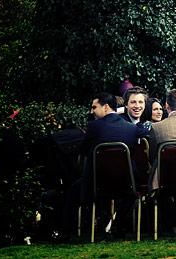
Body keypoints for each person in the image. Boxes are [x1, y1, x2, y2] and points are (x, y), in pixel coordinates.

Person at [60, 93, 140, 240]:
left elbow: (82, 152)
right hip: (125, 183)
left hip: (97, 184)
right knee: (132, 195)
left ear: (106, 107)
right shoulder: (132, 129)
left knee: (73, 190)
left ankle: (65, 232)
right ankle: (117, 226)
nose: (92, 111)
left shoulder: (94, 126)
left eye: (94, 107)